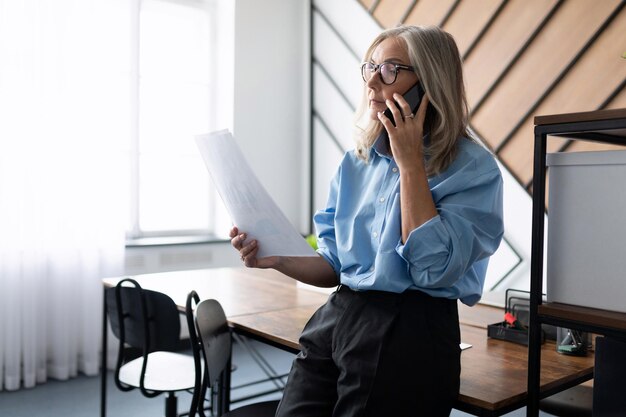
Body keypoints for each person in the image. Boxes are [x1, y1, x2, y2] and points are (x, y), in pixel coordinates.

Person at [230, 25, 504, 417]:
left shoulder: (472, 168)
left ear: (428, 82)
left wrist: (410, 164)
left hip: (411, 327)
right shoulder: (356, 160)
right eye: (370, 67)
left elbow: (433, 269)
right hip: (340, 313)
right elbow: (334, 264)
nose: (372, 81)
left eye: (390, 69)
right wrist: (276, 257)